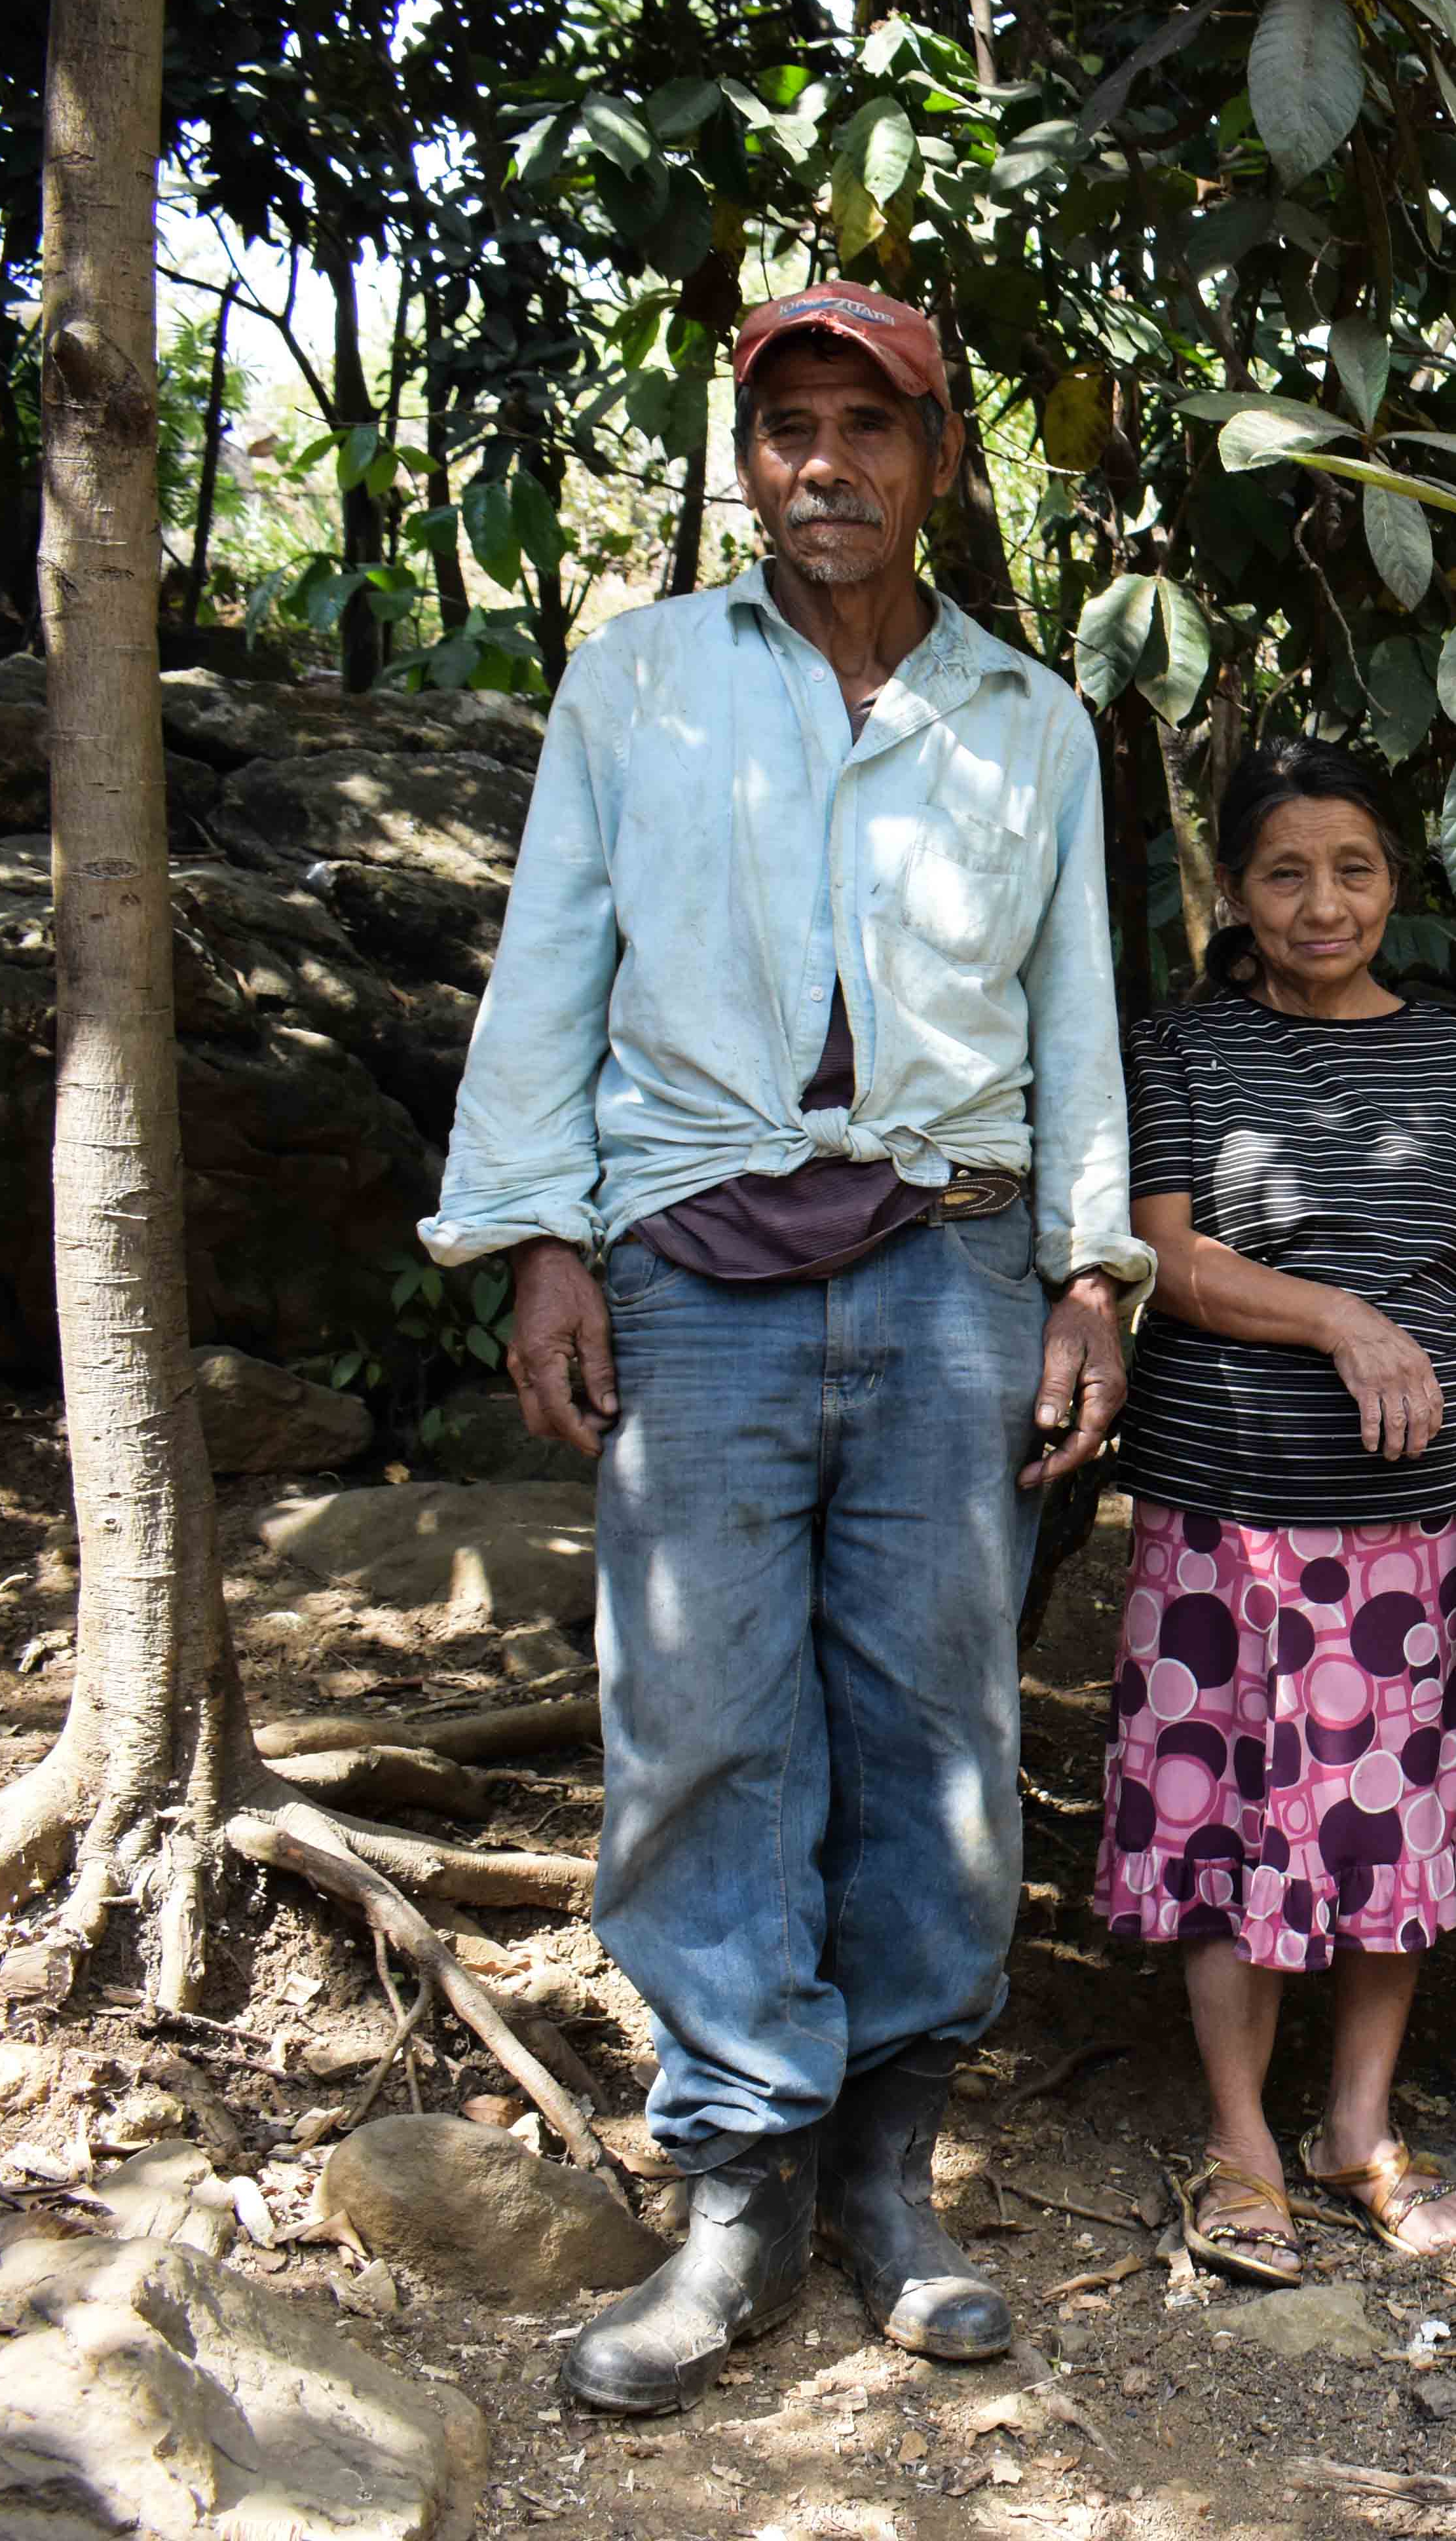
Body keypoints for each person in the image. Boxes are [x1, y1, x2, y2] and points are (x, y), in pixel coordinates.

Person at [424, 282, 1142, 2413]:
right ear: (748, 461)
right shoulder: (641, 679)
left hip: (950, 1261)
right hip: (690, 1265)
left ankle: (892, 2174)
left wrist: (1089, 1274)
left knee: (934, 1723)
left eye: (868, 427)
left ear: (938, 460)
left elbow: (1074, 1012)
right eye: (787, 429)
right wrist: (540, 1240)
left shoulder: (1026, 716)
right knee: (704, 1721)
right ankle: (740, 2184)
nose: (825, 465)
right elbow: (552, 964)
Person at [1104, 739, 1456, 2283]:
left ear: (1396, 881)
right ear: (1234, 887)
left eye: (1353, 868)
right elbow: (1171, 1255)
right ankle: (1240, 2140)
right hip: (1227, 1514)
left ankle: (1359, 2121)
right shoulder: (1182, 1048)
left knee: (1390, 1817)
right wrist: (1347, 1321)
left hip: (1414, 1523)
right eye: (1285, 872)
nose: (1322, 901)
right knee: (1225, 1814)